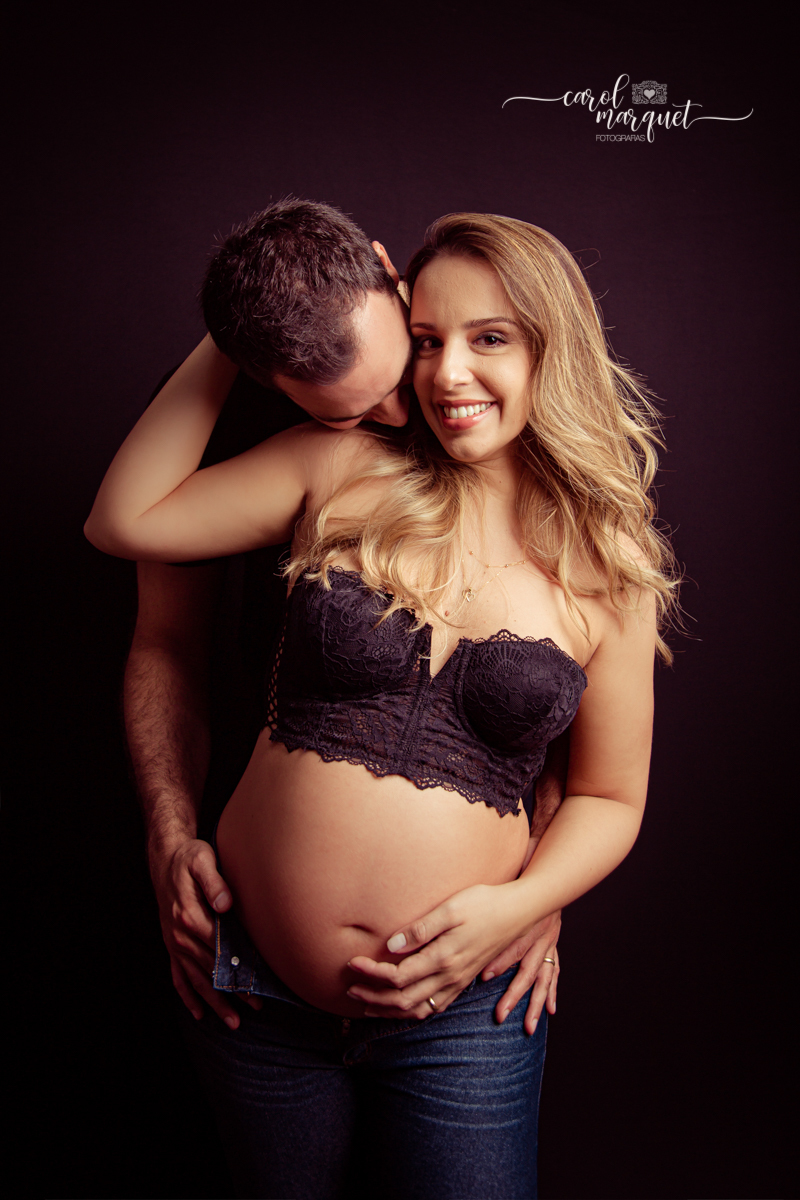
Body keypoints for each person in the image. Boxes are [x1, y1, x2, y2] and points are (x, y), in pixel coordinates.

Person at [86, 211, 676, 1198]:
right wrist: (253, 314)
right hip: (248, 988)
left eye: (488, 338)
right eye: (429, 339)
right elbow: (125, 518)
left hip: (462, 1007)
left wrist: (520, 905)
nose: (447, 375)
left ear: (549, 344)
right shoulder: (338, 465)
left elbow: (609, 799)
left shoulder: (606, 571)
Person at [129, 199, 563, 1043]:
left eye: (405, 371)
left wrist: (539, 888)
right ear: (266, 376)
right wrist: (167, 835)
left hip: (467, 970)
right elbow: (165, 646)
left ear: (388, 272)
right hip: (252, 915)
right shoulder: (208, 429)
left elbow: (548, 669)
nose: (410, 412)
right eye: (352, 411)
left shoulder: (462, 386)